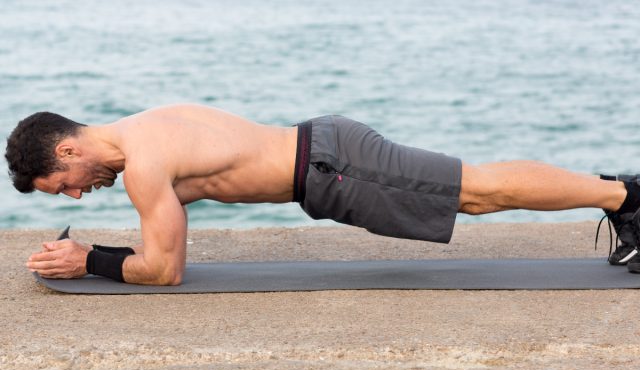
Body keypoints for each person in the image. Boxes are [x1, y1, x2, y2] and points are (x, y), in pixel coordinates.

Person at [4, 104, 640, 285]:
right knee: (477, 189)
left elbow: (166, 269)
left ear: (67, 150)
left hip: (334, 167)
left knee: (479, 191)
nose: (76, 196)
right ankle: (620, 194)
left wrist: (91, 260)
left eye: (63, 186)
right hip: (327, 151)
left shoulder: (144, 164)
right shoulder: (145, 124)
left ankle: (623, 197)